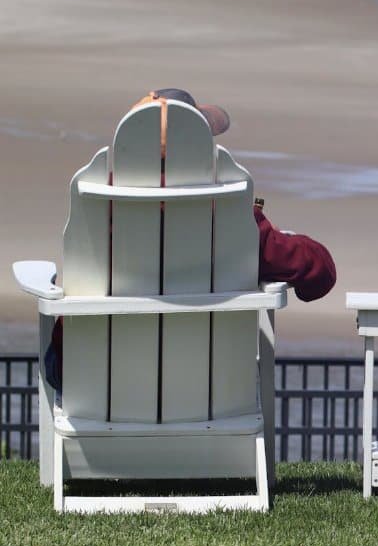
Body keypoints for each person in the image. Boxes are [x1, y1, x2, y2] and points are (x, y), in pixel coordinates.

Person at [43, 88, 337, 392]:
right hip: (205, 393)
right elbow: (321, 274)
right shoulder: (229, 218)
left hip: (98, 387)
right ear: (195, 149)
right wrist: (277, 240)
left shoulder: (99, 209)